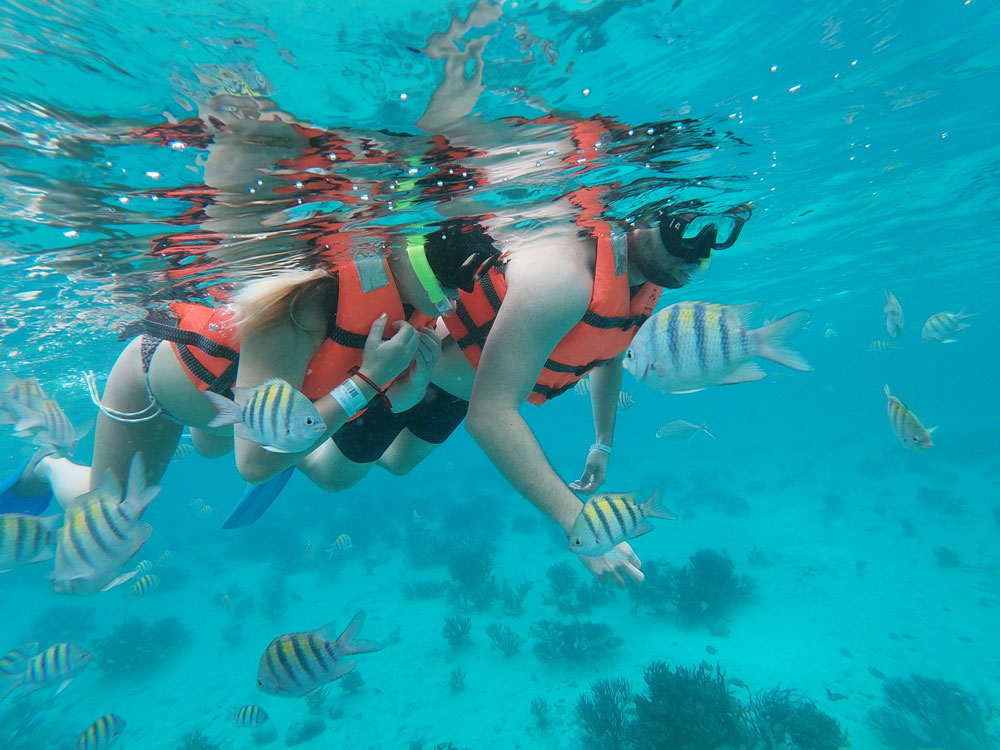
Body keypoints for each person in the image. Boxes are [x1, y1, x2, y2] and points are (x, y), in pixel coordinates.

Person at [0, 233, 501, 511]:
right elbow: (255, 466)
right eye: (447, 288)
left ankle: (274, 441)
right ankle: (47, 465)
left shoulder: (407, 302)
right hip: (156, 382)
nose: (453, 303)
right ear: (410, 258)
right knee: (110, 507)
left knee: (211, 443)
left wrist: (404, 393)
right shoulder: (304, 305)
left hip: (228, 406)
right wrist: (369, 382)